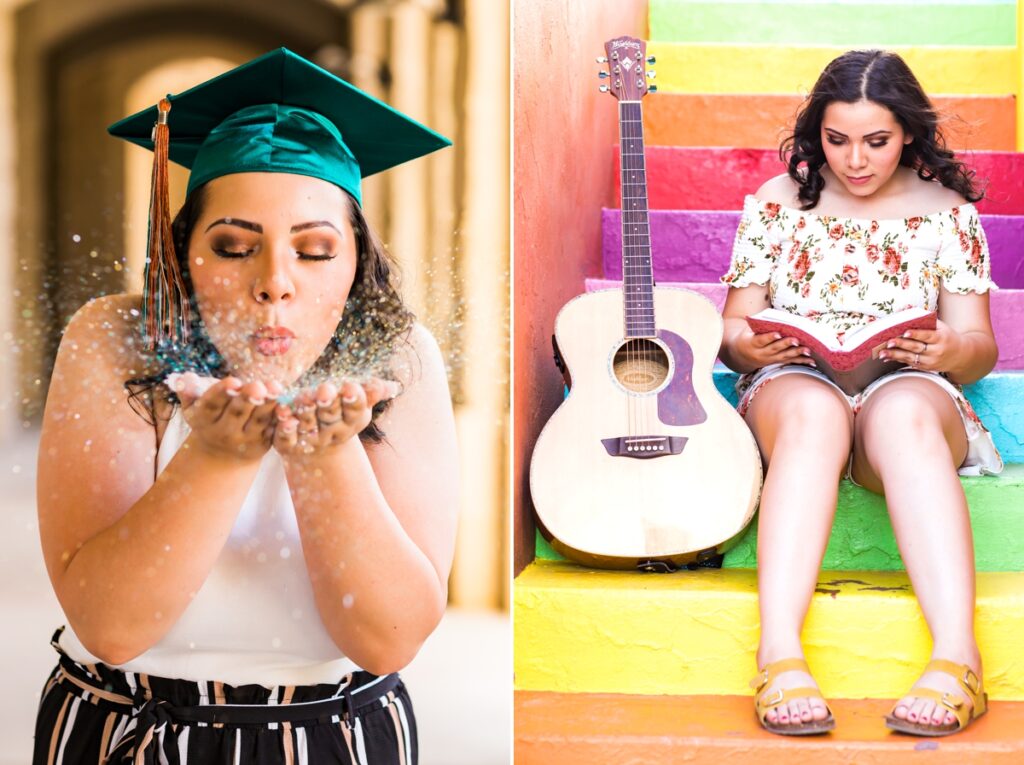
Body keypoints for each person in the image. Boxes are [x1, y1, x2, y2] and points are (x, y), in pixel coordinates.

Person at [32, 48, 458, 764]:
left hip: (333, 735)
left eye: (315, 250)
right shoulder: (117, 341)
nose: (274, 284)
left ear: (356, 261)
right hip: (130, 730)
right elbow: (110, 624)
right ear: (182, 255)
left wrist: (324, 458)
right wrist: (218, 456)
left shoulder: (396, 358)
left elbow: (389, 639)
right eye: (233, 246)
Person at [718, 49, 1003, 737]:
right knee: (816, 415)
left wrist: (947, 348)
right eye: (836, 139)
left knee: (903, 411)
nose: (854, 160)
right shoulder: (777, 203)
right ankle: (779, 651)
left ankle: (957, 656)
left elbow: (980, 345)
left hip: (904, 393)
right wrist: (745, 344)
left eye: (876, 141)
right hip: (798, 388)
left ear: (907, 132)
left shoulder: (947, 212)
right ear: (817, 132)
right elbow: (731, 327)